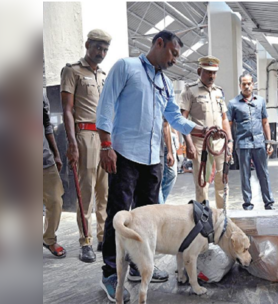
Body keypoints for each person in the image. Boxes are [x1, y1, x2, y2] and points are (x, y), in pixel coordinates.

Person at [96, 30, 208, 302]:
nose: (174, 60)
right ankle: (111, 272)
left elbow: (173, 117)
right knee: (118, 213)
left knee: (149, 219)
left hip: (152, 159)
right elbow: (105, 104)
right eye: (173, 53)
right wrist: (105, 146)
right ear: (159, 43)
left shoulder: (166, 83)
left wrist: (201, 130)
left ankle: (137, 265)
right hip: (123, 154)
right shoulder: (126, 67)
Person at [61, 29, 112, 262]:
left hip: (104, 137)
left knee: (105, 191)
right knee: (87, 191)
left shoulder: (104, 75)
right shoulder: (72, 71)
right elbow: (68, 110)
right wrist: (72, 143)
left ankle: (103, 237)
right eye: (97, 47)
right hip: (84, 136)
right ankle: (86, 241)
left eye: (104, 49)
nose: (101, 52)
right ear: (87, 45)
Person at [180, 56, 233, 209]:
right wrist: (188, 144)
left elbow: (224, 119)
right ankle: (204, 220)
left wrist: (229, 141)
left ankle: (223, 219)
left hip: (219, 143)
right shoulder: (190, 91)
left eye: (214, 73)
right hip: (199, 143)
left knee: (222, 181)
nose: (211, 76)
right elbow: (182, 120)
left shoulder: (219, 92)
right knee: (202, 183)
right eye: (208, 72)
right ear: (199, 71)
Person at [227, 73, 275, 210]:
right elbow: (228, 124)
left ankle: (269, 202)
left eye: (249, 83)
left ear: (253, 84)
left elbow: (265, 122)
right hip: (242, 144)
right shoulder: (233, 104)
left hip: (259, 142)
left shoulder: (260, 101)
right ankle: (247, 204)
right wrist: (229, 143)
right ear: (240, 85)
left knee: (263, 173)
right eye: (244, 84)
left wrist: (269, 141)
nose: (247, 86)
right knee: (245, 174)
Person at [43, 93, 66, 258]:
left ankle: (49, 238)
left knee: (56, 200)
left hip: (43, 158)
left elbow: (47, 125)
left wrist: (56, 154)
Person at [158, 120, 177, 203]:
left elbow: (166, 124)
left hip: (168, 140)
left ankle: (160, 205)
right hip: (154, 143)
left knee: (171, 175)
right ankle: (160, 208)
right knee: (156, 181)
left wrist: (170, 151)